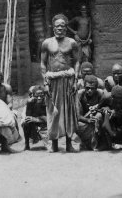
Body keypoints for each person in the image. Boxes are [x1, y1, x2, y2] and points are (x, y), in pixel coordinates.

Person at [40, 13, 81, 153]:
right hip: (52, 82)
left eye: (62, 26)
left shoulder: (72, 43)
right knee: (53, 112)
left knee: (68, 112)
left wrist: (75, 80)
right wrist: (45, 83)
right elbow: (43, 63)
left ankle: (69, 144)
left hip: (68, 80)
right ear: (53, 28)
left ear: (66, 28)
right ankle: (54, 144)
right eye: (57, 26)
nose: (60, 28)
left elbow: (77, 62)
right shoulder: (47, 43)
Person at [76, 75, 108, 151]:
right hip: (84, 120)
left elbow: (107, 108)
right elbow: (77, 115)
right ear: (84, 87)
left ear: (96, 88)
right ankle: (86, 143)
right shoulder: (79, 95)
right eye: (87, 88)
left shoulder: (101, 94)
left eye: (92, 88)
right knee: (75, 124)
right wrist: (87, 120)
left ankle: (101, 143)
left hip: (97, 120)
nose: (89, 90)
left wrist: (97, 109)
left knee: (100, 116)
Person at [22, 85, 47, 150]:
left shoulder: (47, 102)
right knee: (26, 123)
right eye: (37, 96)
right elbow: (28, 117)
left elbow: (50, 119)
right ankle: (27, 144)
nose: (39, 98)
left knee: (49, 146)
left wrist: (37, 119)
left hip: (46, 124)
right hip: (35, 123)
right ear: (33, 95)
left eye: (41, 95)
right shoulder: (30, 102)